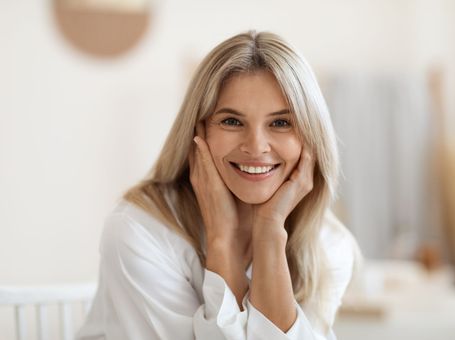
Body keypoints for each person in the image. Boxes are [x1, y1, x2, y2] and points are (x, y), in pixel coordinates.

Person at [76, 30, 359, 340]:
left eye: (280, 123)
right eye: (232, 121)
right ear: (199, 132)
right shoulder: (139, 232)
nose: (256, 146)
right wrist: (221, 239)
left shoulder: (328, 247)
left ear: (310, 138)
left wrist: (269, 233)